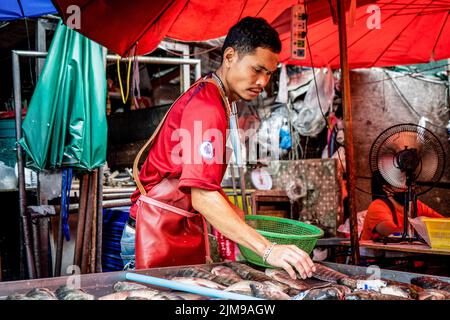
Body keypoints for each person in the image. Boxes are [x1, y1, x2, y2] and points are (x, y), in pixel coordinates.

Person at [120, 17, 315, 279]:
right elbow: (202, 196)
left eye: (269, 74)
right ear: (230, 56)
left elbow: (206, 185)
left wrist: (246, 226)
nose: (262, 82)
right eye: (256, 69)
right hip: (152, 233)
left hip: (172, 228)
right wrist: (268, 250)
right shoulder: (207, 107)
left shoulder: (219, 99)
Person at [360, 171, 443, 241]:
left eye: (409, 182)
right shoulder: (377, 206)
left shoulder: (416, 204)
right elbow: (391, 232)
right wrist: (425, 228)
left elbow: (443, 223)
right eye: (402, 182)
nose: (409, 187)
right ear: (387, 189)